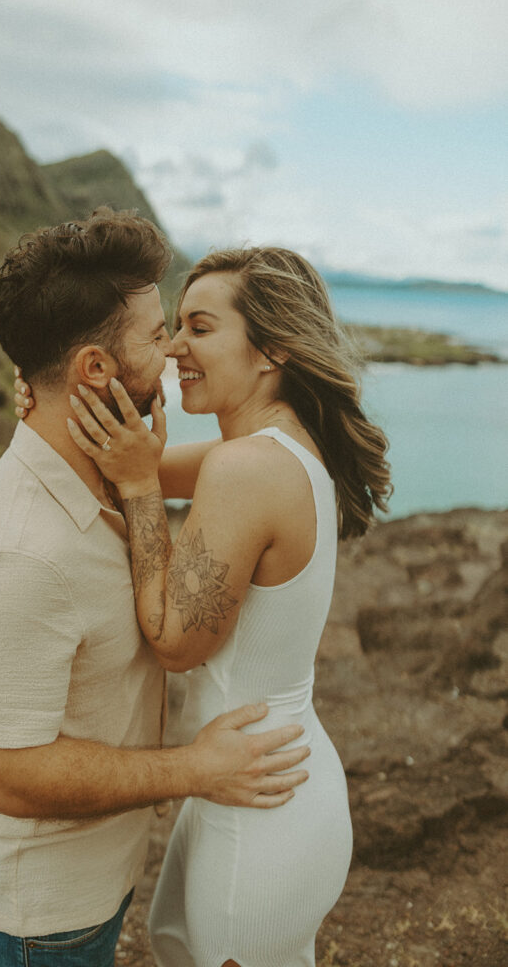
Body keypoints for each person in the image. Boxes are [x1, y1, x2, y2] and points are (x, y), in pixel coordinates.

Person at [0, 209, 311, 967]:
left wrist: (133, 467)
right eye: (154, 335)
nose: (173, 347)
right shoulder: (17, 550)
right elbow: (6, 772)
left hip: (91, 891)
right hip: (32, 921)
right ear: (93, 371)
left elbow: (256, 463)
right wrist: (194, 770)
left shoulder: (104, 476)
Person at [58, 245, 392, 967]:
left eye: (199, 328)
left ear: (270, 348)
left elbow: (176, 642)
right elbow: (113, 465)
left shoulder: (247, 467)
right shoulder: (281, 450)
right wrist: (56, 396)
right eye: (174, 326)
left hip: (257, 808)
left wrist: (145, 493)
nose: (176, 346)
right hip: (267, 777)